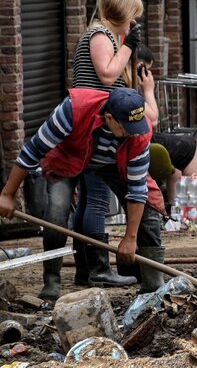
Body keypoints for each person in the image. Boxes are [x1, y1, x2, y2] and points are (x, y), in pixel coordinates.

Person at [0, 88, 167, 297]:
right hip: (69, 157)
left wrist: (130, 237)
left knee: (149, 207)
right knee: (56, 213)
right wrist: (7, 195)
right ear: (109, 118)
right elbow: (32, 151)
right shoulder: (73, 110)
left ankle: (153, 286)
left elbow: (137, 190)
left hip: (113, 163)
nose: (133, 132)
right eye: (127, 127)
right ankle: (51, 281)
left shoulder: (139, 134)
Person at [134, 45, 197, 206]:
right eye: (144, 71)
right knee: (194, 146)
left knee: (178, 163)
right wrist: (148, 90)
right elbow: (153, 120)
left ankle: (176, 210)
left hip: (137, 138)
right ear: (138, 66)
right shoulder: (127, 88)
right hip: (137, 141)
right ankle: (191, 207)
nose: (146, 76)